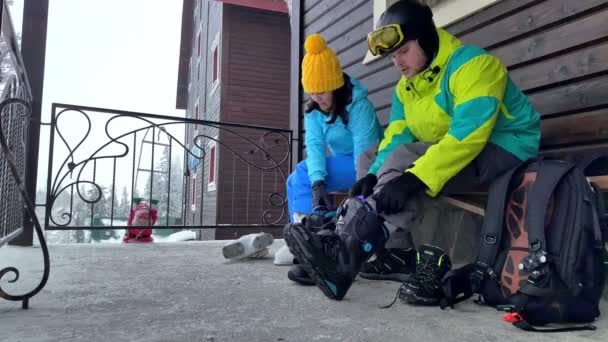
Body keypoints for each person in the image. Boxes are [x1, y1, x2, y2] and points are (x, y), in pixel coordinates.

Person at [285, 0, 541, 302]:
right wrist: (372, 174)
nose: (398, 63)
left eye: (403, 51)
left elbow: (466, 137)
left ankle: (347, 254)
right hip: (455, 147)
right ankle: (387, 252)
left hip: (504, 146)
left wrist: (414, 178)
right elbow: (396, 136)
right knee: (371, 158)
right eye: (393, 56)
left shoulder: (474, 65)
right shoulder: (407, 87)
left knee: (407, 161)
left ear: (426, 37)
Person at [284, 33, 385, 285]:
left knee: (302, 172)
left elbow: (365, 151)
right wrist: (318, 185)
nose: (317, 97)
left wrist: (359, 197)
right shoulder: (314, 111)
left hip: (370, 166)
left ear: (335, 83)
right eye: (312, 92)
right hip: (344, 163)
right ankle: (303, 242)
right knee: (296, 177)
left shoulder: (358, 106)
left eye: (322, 90)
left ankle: (314, 245)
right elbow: (315, 146)